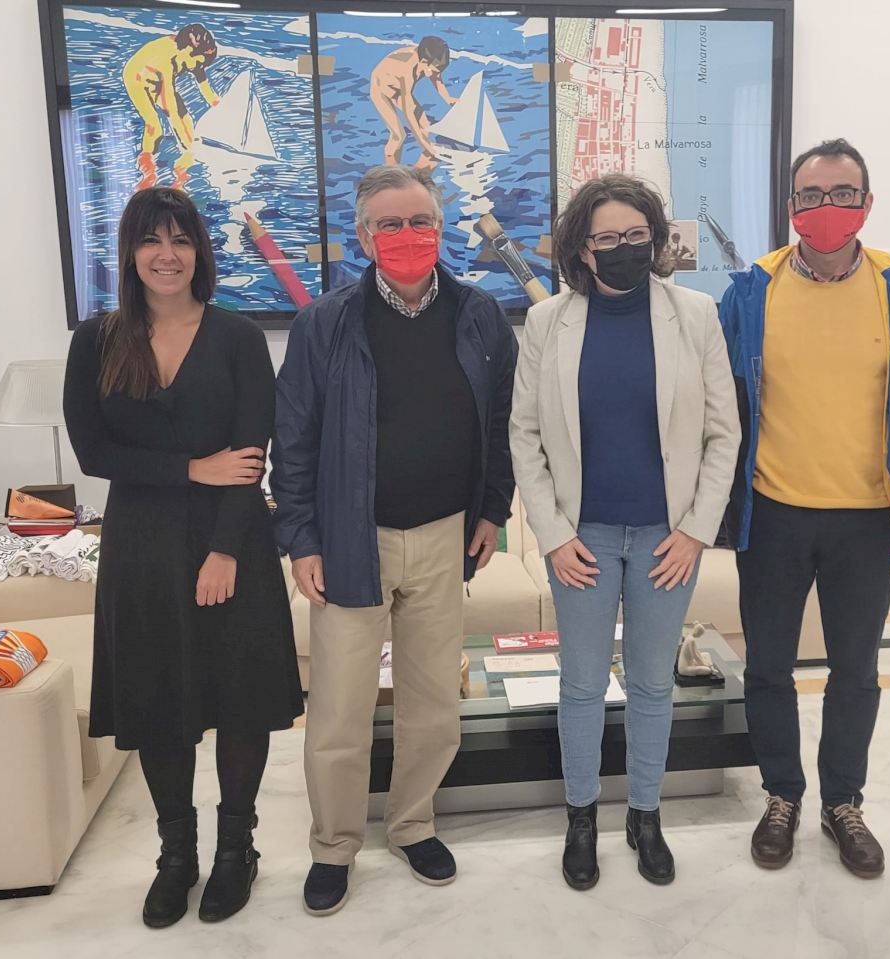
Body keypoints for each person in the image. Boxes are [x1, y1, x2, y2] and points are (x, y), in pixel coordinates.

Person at [271, 165, 517, 916]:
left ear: (439, 227)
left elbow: (501, 424)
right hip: (351, 538)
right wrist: (301, 537)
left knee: (433, 702)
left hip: (446, 535)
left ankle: (412, 824)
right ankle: (334, 844)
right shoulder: (325, 322)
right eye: (390, 224)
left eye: (420, 221)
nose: (408, 235)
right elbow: (295, 439)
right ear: (363, 235)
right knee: (340, 710)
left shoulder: (480, 316)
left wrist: (492, 509)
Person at [63, 187, 303, 928]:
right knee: (158, 698)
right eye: (151, 240)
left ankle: (236, 850)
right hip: (140, 544)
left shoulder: (237, 336)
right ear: (130, 252)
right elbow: (95, 452)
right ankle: (177, 856)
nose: (166, 255)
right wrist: (193, 468)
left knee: (240, 698)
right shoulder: (96, 340)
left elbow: (252, 454)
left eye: (181, 239)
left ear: (199, 251)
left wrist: (224, 550)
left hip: (232, 540)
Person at [510, 173, 740, 889]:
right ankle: (581, 817)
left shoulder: (695, 314)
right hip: (582, 540)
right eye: (607, 237)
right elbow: (524, 436)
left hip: (667, 540)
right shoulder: (548, 323)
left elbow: (723, 433)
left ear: (656, 239)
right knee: (581, 684)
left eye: (636, 235)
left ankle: (646, 815)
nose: (623, 248)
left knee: (651, 684)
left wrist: (696, 531)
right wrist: (552, 535)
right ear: (583, 247)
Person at [718, 138, 890, 879]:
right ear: (792, 207)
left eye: (843, 194)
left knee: (856, 670)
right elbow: (730, 398)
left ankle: (843, 802)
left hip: (867, 517)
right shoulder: (754, 289)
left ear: (866, 204)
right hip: (773, 511)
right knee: (768, 667)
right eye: (811, 196)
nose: (827, 207)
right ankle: (781, 794)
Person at [123, 23, 221, 190]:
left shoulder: (191, 55)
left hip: (157, 77)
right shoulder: (166, 61)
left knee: (187, 121)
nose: (199, 67)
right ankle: (148, 175)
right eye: (199, 63)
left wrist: (216, 103)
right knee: (155, 127)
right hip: (137, 78)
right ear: (188, 51)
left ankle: (181, 173)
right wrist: (189, 148)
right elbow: (171, 110)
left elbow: (203, 82)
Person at [369, 36, 458, 171]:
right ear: (424, 62)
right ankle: (391, 172)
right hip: (381, 90)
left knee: (425, 126)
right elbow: (408, 112)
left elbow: (436, 78)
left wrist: (449, 99)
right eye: (435, 70)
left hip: (398, 90)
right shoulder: (406, 70)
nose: (437, 74)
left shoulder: (429, 60)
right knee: (398, 135)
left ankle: (418, 171)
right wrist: (424, 144)